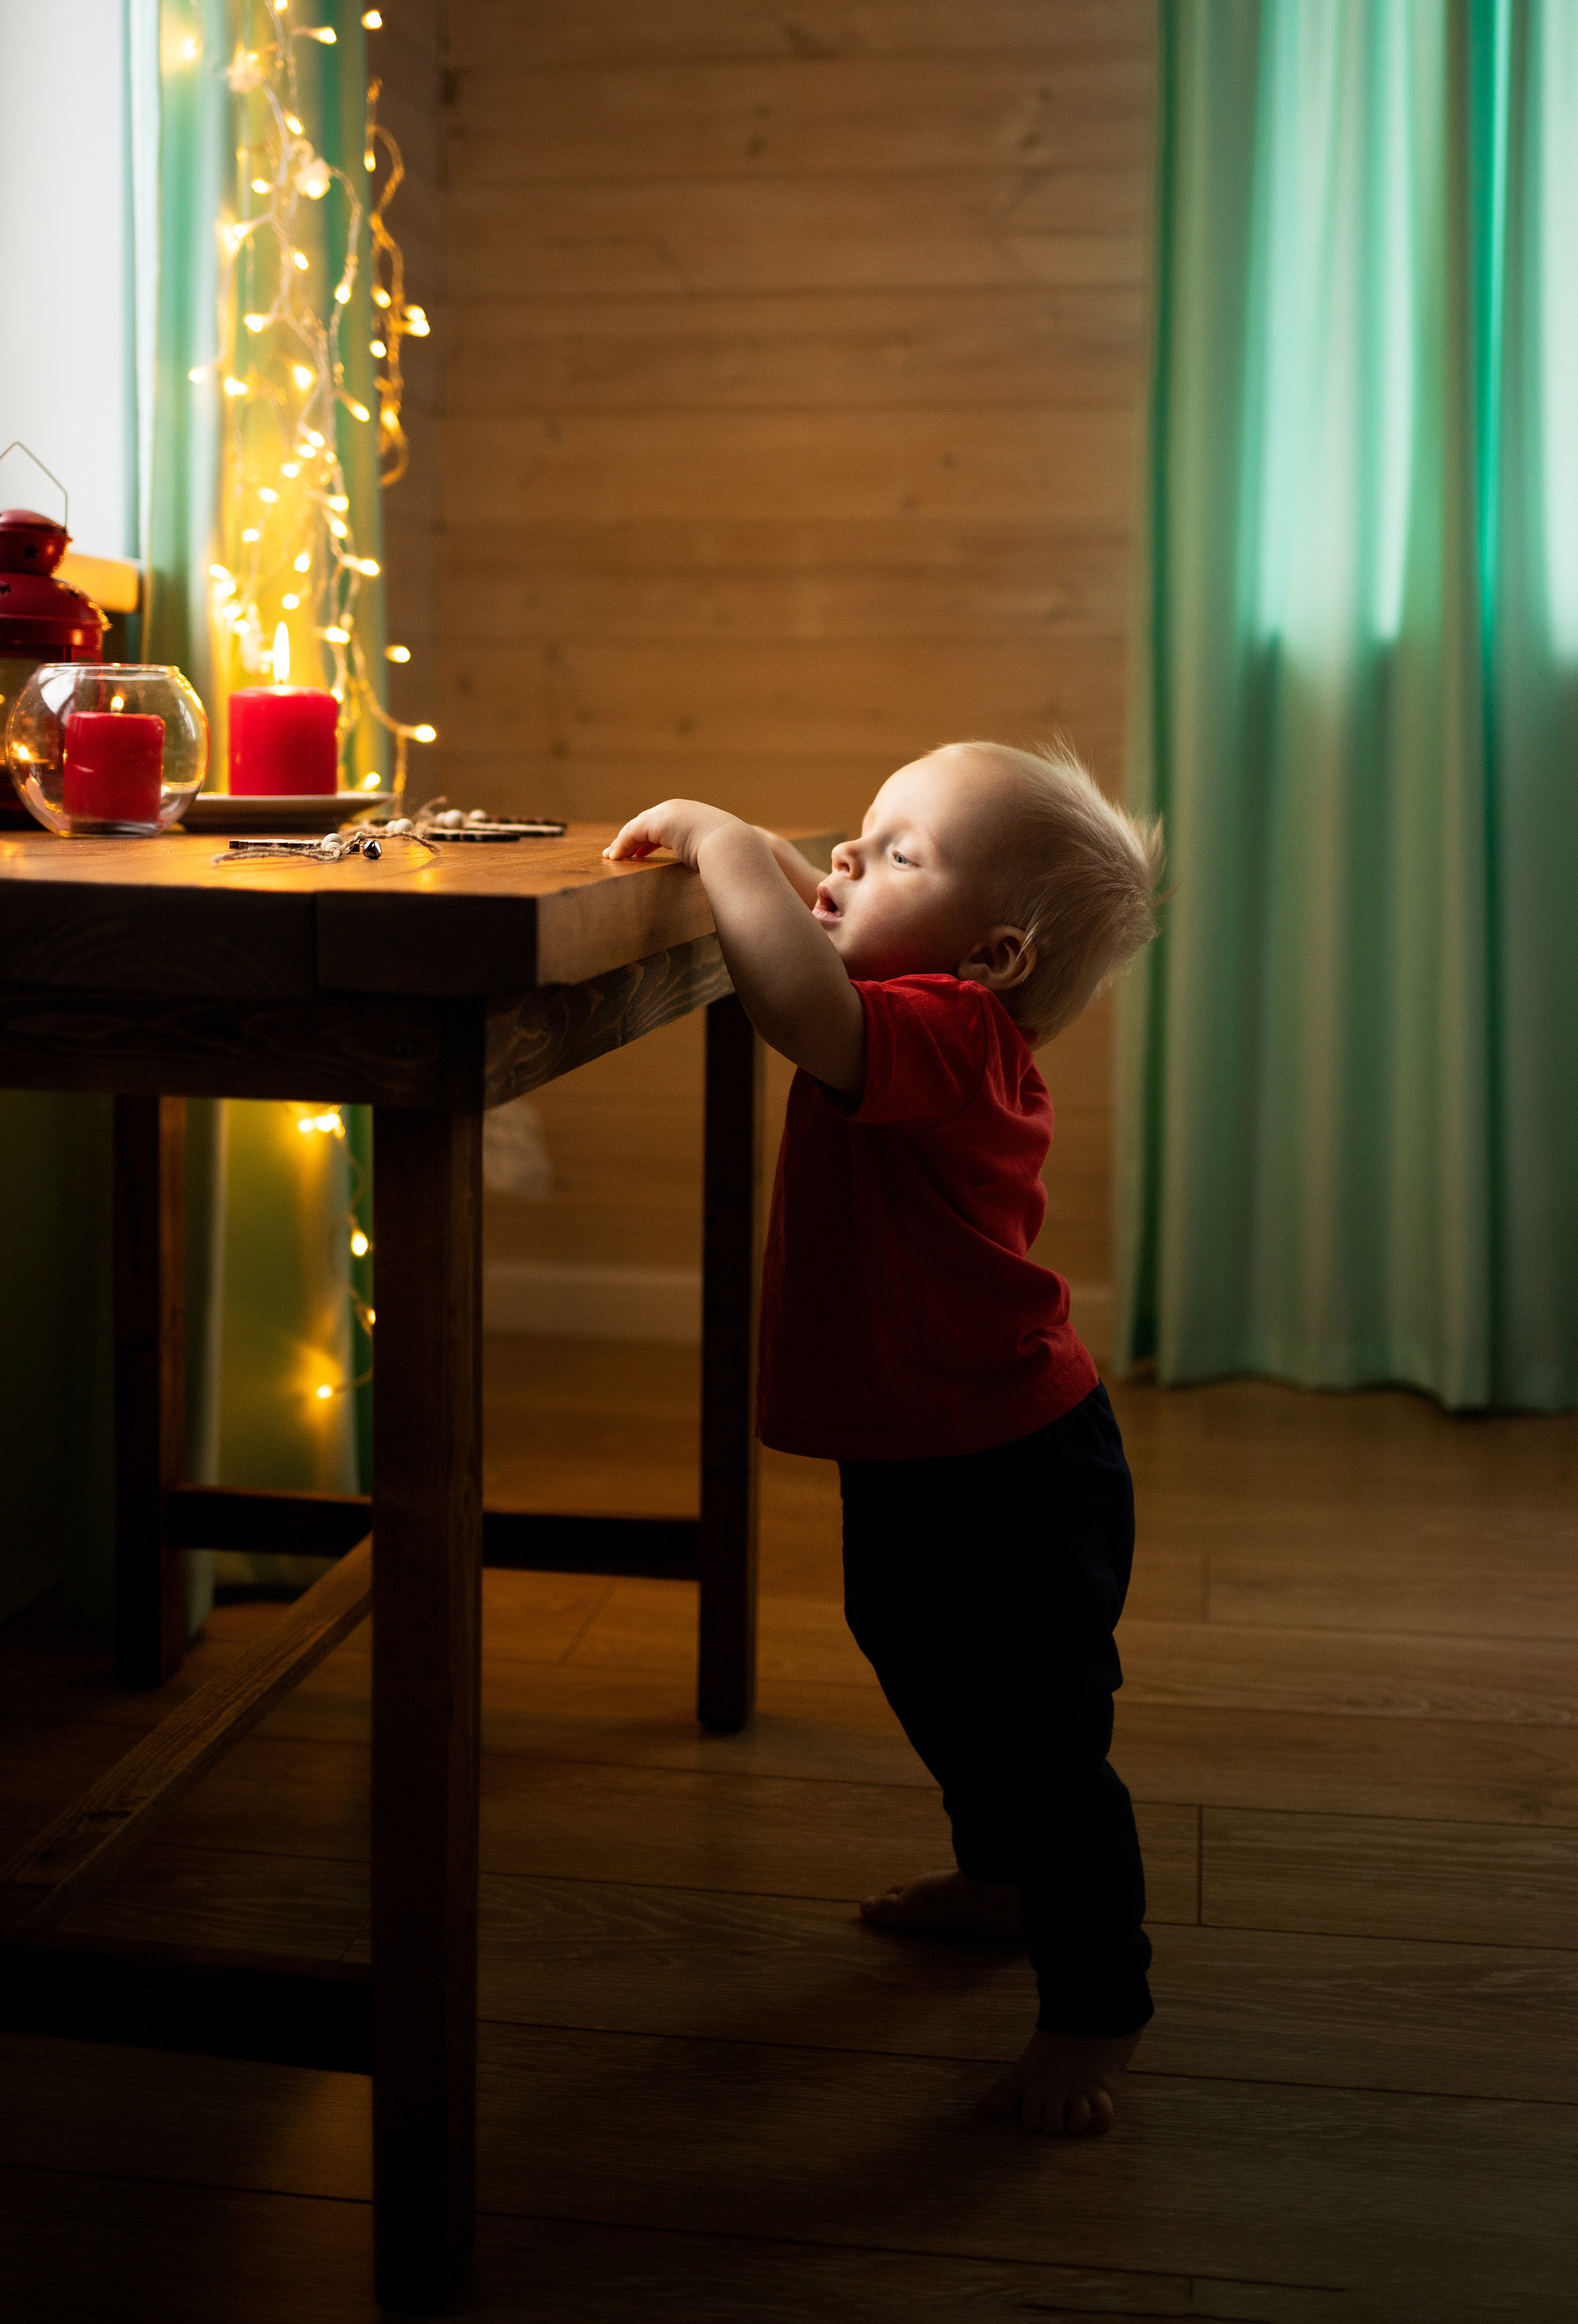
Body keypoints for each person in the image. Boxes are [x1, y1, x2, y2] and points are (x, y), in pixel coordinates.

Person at [605, 741, 1164, 2138]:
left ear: (994, 955)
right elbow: (815, 952)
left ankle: (1098, 2003)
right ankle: (998, 1880)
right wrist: (810, 878)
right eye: (855, 839)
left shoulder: (951, 1034)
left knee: (1041, 1735)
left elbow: (790, 1002)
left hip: (1015, 1462)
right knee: (912, 1647)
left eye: (897, 852)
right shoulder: (923, 1010)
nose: (846, 862)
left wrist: (725, 833)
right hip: (929, 1438)